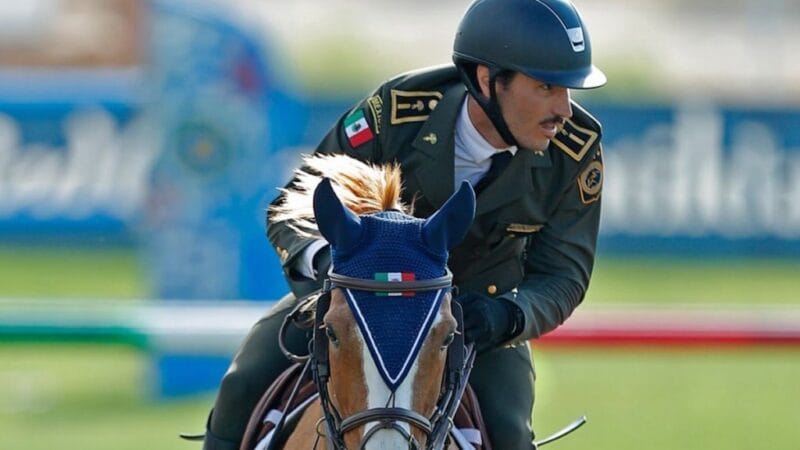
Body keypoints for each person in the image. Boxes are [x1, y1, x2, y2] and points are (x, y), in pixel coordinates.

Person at [203, 0, 606, 448]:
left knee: (510, 433)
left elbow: (564, 275)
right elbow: (292, 207)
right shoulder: (396, 113)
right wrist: (328, 266)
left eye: (567, 90)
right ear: (487, 80)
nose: (564, 109)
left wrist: (507, 316)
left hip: (475, 319)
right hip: (358, 301)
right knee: (242, 383)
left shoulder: (575, 151)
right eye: (547, 87)